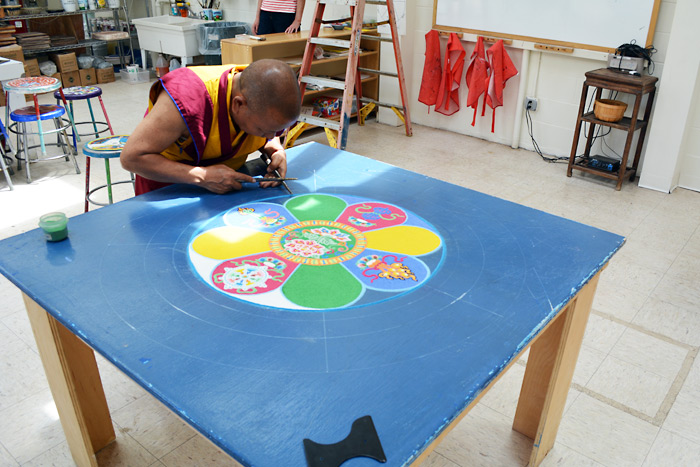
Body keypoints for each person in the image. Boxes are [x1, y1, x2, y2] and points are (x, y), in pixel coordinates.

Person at [121, 59, 301, 195]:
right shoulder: (187, 97)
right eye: (263, 130)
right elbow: (131, 157)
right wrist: (202, 176)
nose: (271, 135)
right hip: (170, 189)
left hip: (224, 189)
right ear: (238, 104)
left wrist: (275, 149)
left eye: (276, 130)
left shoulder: (260, 89)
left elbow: (270, 133)